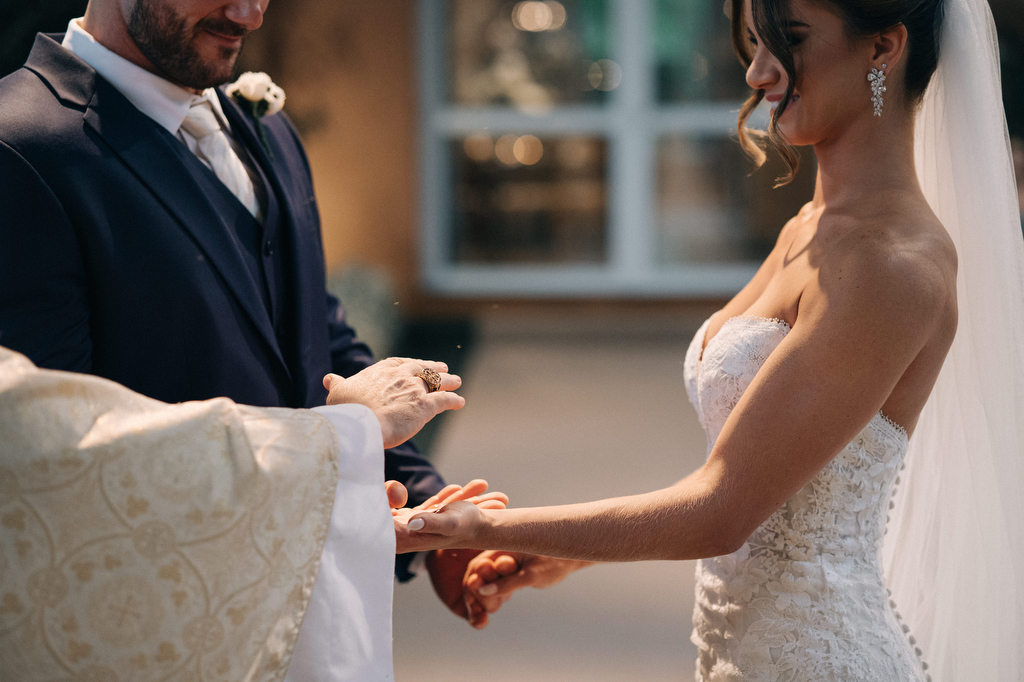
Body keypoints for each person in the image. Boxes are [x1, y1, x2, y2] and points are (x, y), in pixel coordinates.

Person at [395, 0, 1024, 679]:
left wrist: (477, 527)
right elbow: (760, 471)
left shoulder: (889, 265)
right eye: (754, 44)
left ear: (883, 48)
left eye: (791, 41)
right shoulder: (812, 226)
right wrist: (574, 550)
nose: (758, 72)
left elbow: (722, 510)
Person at [0, 0, 476, 621]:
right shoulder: (21, 150)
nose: (249, 14)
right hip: (164, 617)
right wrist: (339, 434)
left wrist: (435, 518)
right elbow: (59, 458)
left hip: (309, 608)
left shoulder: (266, 125)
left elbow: (311, 339)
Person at [0, 344, 503, 681]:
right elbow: (52, 450)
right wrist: (347, 437)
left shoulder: (286, 174)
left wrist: (395, 493)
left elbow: (311, 333)